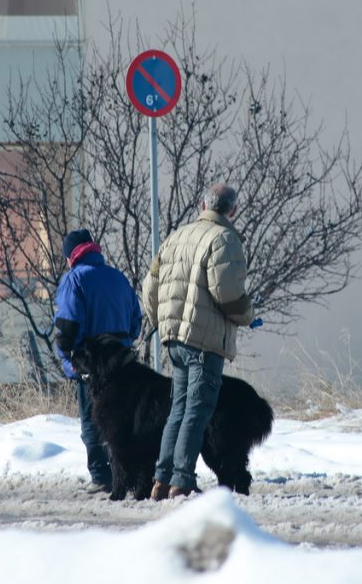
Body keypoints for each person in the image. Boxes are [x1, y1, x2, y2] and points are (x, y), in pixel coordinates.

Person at [143, 183, 256, 500]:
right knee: (197, 410)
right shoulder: (225, 239)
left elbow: (149, 289)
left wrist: (162, 322)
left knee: (177, 409)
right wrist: (247, 315)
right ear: (232, 210)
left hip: (173, 339)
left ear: (202, 204)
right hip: (204, 343)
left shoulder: (175, 237)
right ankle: (182, 479)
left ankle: (161, 479)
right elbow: (228, 294)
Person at [54, 229, 142, 494]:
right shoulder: (118, 278)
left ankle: (101, 476)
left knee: (93, 421)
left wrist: (69, 362)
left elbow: (67, 328)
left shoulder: (73, 280)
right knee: (123, 421)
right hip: (124, 364)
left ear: (71, 256)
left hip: (91, 366)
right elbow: (135, 323)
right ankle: (126, 474)